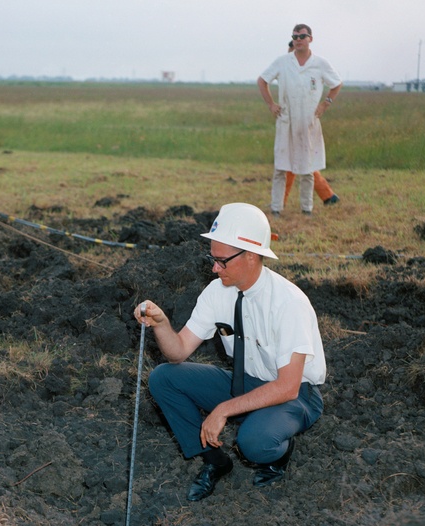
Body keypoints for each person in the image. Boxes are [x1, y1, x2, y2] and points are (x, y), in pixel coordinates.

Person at [134, 203, 325, 501]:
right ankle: (215, 462)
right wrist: (161, 325)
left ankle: (278, 452)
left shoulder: (288, 303)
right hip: (246, 383)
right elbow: (178, 352)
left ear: (251, 255)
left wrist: (222, 410)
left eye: (222, 261)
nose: (214, 268)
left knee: (254, 442)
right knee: (164, 378)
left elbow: (287, 386)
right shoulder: (216, 292)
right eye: (213, 259)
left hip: (296, 393)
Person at [257, 24, 342, 215]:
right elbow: (262, 80)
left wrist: (325, 104)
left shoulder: (320, 63)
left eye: (302, 36)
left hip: (308, 122)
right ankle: (276, 209)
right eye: (295, 37)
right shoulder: (282, 62)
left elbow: (336, 84)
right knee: (281, 167)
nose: (298, 40)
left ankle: (307, 210)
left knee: (308, 169)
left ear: (310, 38)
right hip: (286, 121)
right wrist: (271, 104)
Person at [282, 39, 340, 207]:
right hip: (293, 122)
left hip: (303, 123)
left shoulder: (310, 70)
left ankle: (280, 202)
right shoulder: (289, 68)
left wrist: (324, 104)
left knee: (291, 163)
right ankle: (328, 196)